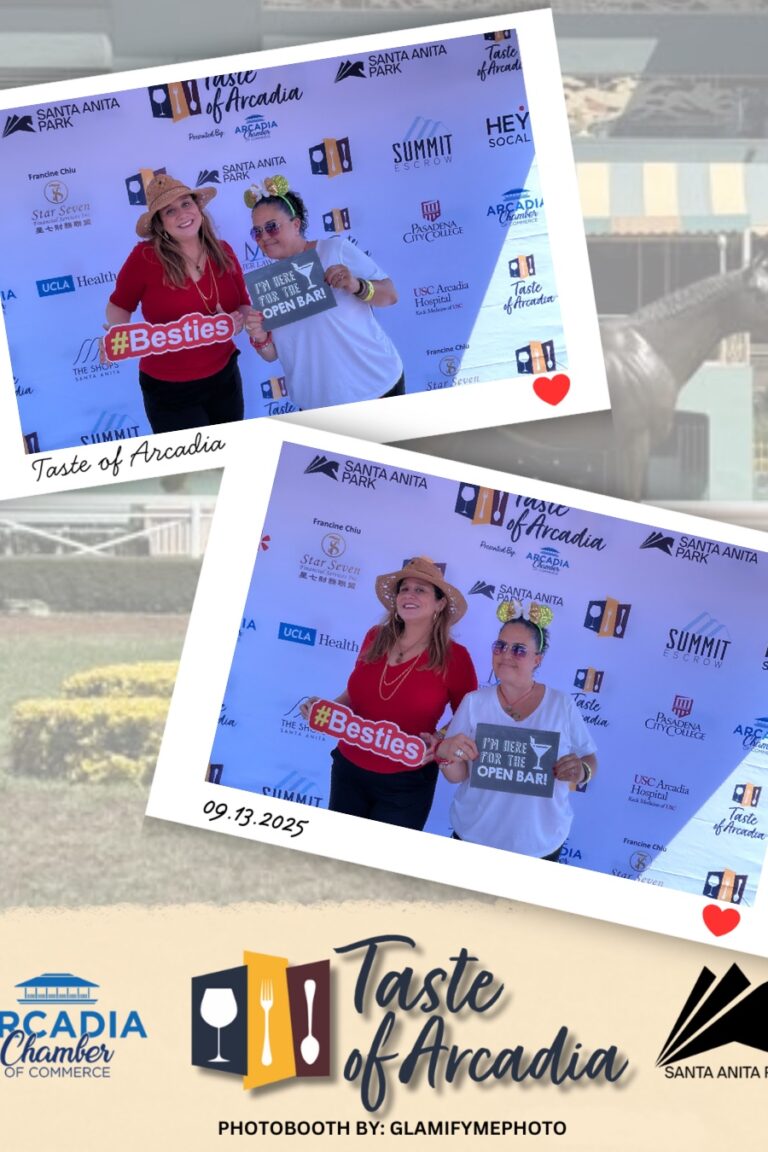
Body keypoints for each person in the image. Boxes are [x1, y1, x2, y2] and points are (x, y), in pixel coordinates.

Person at [300, 557, 477, 830]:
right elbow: (357, 691)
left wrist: (440, 741)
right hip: (348, 767)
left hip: (407, 782)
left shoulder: (456, 658)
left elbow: (468, 716)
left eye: (420, 590)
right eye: (404, 589)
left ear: (440, 604)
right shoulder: (375, 636)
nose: (409, 595)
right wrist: (327, 710)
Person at [437, 601, 598, 860]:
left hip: (538, 845)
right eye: (500, 646)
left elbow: (590, 758)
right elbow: (456, 776)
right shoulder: (474, 702)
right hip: (473, 838)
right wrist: (444, 754)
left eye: (519, 650)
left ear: (538, 659)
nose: (506, 654)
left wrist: (582, 771)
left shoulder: (561, 704)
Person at [106, 173, 252, 434]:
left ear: (198, 208)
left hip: (225, 376)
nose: (182, 214)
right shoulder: (145, 257)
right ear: (161, 224)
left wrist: (238, 323)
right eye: (169, 211)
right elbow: (119, 305)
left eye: (186, 204)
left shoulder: (224, 251)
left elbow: (242, 304)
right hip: (169, 390)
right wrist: (118, 336)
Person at [243, 176, 404, 410]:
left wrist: (357, 285)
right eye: (257, 232)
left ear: (296, 224)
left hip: (376, 388)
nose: (264, 237)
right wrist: (259, 337)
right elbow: (272, 355)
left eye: (271, 227)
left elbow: (390, 295)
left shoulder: (334, 250)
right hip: (315, 405)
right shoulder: (267, 285)